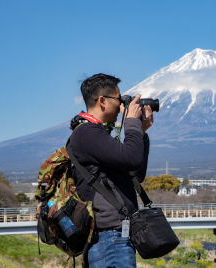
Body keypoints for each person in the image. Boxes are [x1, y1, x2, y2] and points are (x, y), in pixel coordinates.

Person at [69, 73, 153, 268]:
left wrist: (140, 133)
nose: (122, 104)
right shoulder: (87, 132)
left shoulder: (98, 134)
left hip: (115, 238)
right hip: (109, 238)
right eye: (118, 98)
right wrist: (131, 121)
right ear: (102, 101)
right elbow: (132, 159)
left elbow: (135, 173)